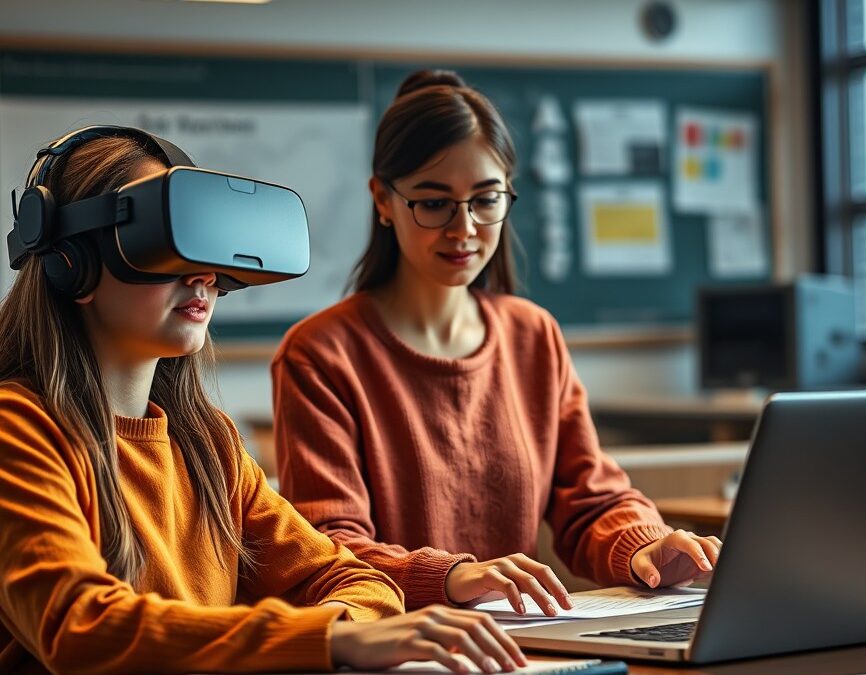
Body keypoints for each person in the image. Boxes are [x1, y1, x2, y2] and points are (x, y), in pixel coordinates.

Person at [0, 127, 527, 674]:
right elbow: (83, 632)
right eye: (162, 243)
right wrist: (333, 643)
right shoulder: (9, 429)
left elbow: (351, 579)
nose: (202, 275)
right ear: (70, 263)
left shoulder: (206, 444)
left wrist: (344, 626)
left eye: (204, 249)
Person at [272, 70, 723, 616]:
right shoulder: (321, 353)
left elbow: (591, 499)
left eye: (486, 200)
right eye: (433, 203)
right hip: (402, 645)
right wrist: (454, 576)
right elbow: (327, 548)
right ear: (383, 201)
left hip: (523, 644)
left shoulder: (532, 336)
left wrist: (646, 547)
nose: (463, 229)